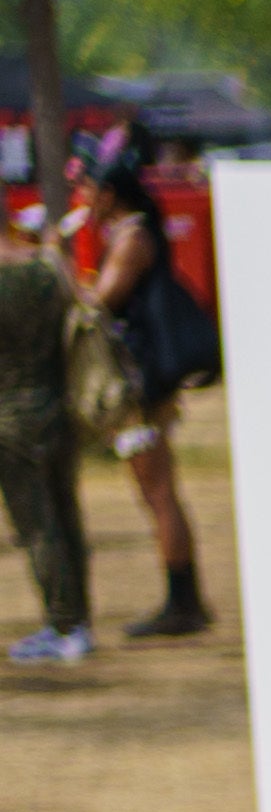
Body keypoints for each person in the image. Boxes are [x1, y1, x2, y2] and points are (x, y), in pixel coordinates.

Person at [81, 152, 208, 641]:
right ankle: (185, 597)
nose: (86, 200)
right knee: (160, 491)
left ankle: (183, 602)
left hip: (139, 382)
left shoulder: (131, 237)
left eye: (90, 190)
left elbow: (101, 303)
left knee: (157, 492)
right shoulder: (132, 233)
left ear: (108, 194)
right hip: (146, 378)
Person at [1, 202, 90, 665]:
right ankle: (81, 620)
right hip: (58, 405)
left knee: (37, 526)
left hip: (11, 420)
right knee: (67, 513)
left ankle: (63, 624)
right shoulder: (44, 269)